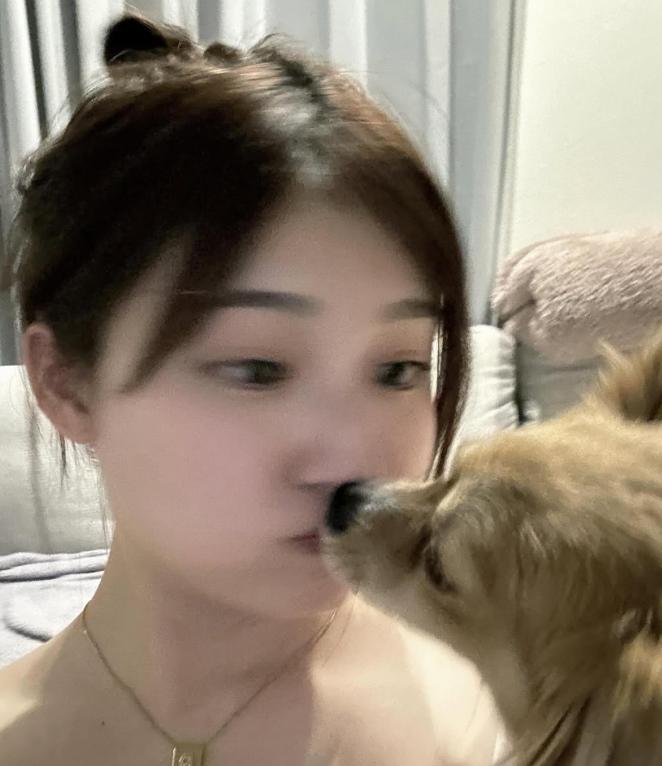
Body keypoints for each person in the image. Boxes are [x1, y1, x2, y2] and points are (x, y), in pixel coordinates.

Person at [0, 12, 501, 765]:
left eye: (399, 369)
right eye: (257, 369)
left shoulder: (511, 715)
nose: (357, 467)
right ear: (64, 381)